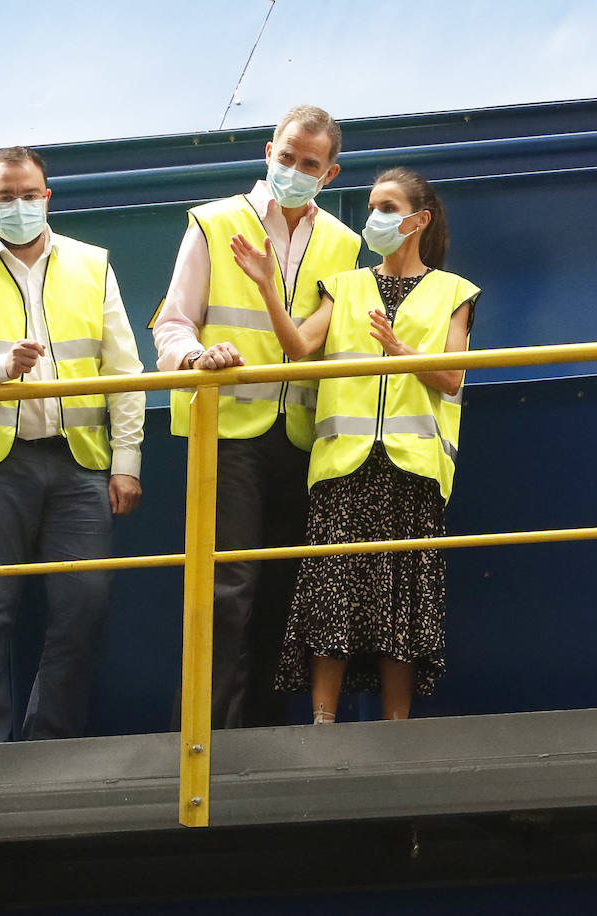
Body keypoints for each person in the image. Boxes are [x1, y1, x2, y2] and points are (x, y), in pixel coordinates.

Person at [0, 146, 146, 743]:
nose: (19, 205)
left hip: (78, 464)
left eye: (29, 194)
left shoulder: (92, 265)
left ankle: (51, 741)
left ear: (48, 196)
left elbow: (125, 372)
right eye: (6, 196)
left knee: (84, 607)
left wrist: (127, 464)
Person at [230, 167, 479, 723]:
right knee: (333, 591)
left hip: (411, 472)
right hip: (343, 469)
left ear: (420, 220)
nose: (376, 219)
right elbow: (299, 347)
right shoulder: (344, 286)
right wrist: (268, 285)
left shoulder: (454, 292)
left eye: (388, 208)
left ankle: (396, 728)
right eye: (373, 207)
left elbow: (453, 377)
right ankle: (324, 722)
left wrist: (399, 349)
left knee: (399, 598)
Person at [152, 104, 360, 728]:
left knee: (282, 592)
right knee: (226, 589)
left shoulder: (344, 244)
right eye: (287, 156)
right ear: (268, 151)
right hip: (229, 432)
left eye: (310, 164)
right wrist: (196, 357)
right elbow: (172, 323)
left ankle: (264, 736)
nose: (294, 170)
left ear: (330, 174)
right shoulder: (214, 223)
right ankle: (206, 738)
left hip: (303, 438)